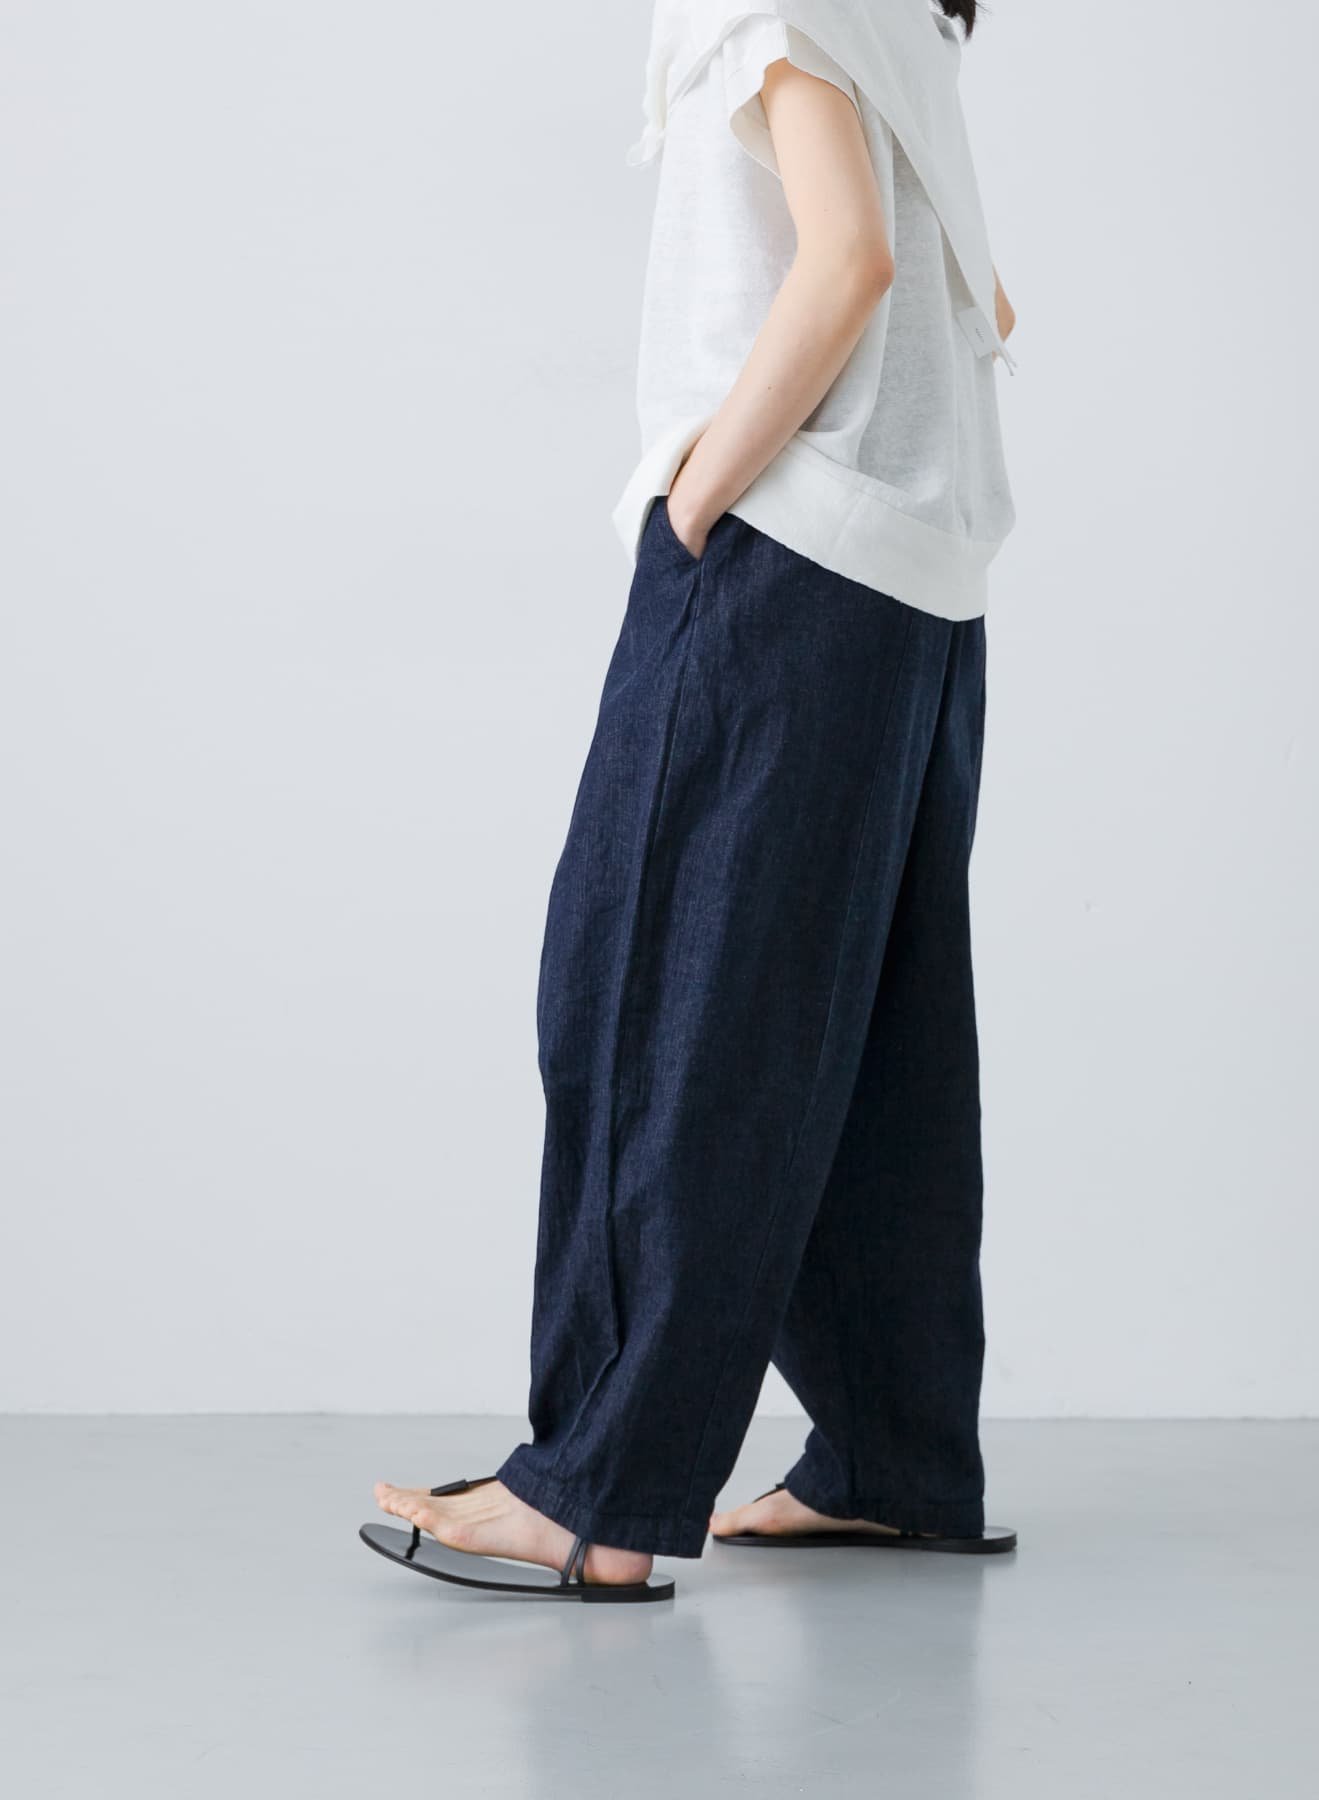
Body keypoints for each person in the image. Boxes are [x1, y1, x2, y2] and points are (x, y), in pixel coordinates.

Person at [363, 0, 1018, 1602]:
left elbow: (850, 261)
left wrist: (700, 492)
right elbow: (983, 297)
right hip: (922, 582)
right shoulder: (905, 15)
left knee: (647, 1003)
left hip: (785, 554)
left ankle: (596, 1490)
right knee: (872, 1043)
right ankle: (895, 1461)